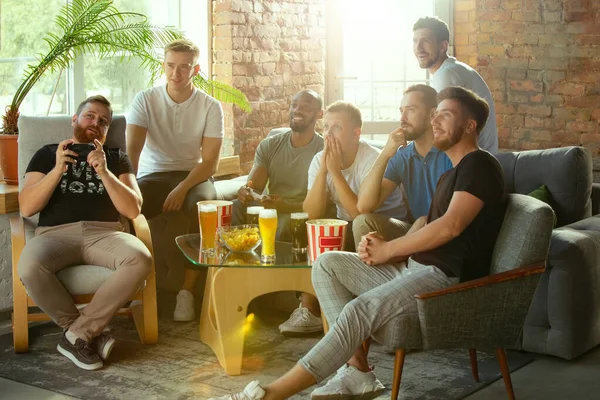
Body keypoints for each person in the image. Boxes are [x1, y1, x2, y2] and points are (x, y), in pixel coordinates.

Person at [212, 87, 507, 400]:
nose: (435, 122)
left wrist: (389, 250)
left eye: (445, 115)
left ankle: (269, 394)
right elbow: (429, 222)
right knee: (327, 264)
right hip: (415, 269)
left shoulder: (480, 165)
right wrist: (393, 244)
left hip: (444, 280)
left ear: (471, 125)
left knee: (357, 310)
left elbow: (451, 226)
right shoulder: (454, 173)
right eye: (436, 115)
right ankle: (358, 373)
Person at [17, 96, 152, 371]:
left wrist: (105, 172)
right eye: (90, 116)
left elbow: (133, 209)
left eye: (103, 121)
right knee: (29, 264)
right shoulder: (47, 153)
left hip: (105, 234)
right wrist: (57, 170)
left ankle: (77, 334)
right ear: (74, 120)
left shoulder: (115, 158)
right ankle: (84, 333)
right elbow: (27, 207)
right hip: (55, 234)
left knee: (141, 258)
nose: (96, 123)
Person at [126, 39, 224, 322]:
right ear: (163, 65)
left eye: (184, 67)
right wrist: (127, 189)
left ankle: (187, 292)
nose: (176, 74)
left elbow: (210, 163)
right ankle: (135, 289)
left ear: (196, 70)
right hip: (153, 176)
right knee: (126, 207)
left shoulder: (210, 106)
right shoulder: (145, 99)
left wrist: (183, 187)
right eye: (170, 66)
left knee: (205, 207)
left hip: (193, 176)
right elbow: (131, 154)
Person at [233, 89, 326, 335]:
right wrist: (246, 192)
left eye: (305, 106)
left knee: (290, 223)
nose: (297, 110)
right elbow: (254, 185)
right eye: (294, 104)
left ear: (319, 114)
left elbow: (319, 202)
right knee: (235, 208)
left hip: (303, 212)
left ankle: (306, 308)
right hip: (272, 209)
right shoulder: (271, 145)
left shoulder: (324, 149)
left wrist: (282, 205)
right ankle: (237, 289)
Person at [303, 101, 407, 251]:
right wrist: (323, 171)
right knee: (307, 232)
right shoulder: (319, 159)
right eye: (326, 127)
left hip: (384, 225)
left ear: (355, 134)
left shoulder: (372, 159)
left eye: (337, 127)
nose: (328, 133)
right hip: (347, 223)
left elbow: (359, 214)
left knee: (357, 226)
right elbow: (311, 214)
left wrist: (335, 172)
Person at [355, 84, 452, 242]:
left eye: (411, 110)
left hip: (444, 232)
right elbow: (365, 206)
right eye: (401, 110)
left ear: (432, 114)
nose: (402, 118)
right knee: (363, 221)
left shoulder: (451, 153)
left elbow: (452, 219)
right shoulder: (402, 156)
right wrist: (385, 154)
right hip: (415, 230)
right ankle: (379, 266)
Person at [413, 16, 498, 153]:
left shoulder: (447, 75)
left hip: (470, 161)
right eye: (415, 41)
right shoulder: (453, 69)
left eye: (426, 41)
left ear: (443, 46)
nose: (418, 48)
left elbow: (441, 129)